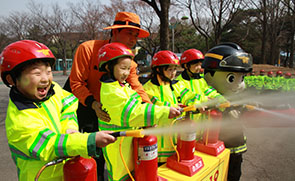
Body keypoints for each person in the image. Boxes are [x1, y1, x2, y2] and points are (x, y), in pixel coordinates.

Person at [0, 40, 116, 181]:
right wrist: (88, 140)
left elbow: (68, 103)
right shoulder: (19, 119)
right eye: (37, 73)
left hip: (67, 173)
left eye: (48, 72)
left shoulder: (53, 90)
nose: (46, 79)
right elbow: (49, 144)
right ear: (11, 79)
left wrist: (70, 128)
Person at [64, 12, 152, 180]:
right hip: (82, 105)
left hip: (107, 110)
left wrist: (149, 110)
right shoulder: (88, 49)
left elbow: (136, 86)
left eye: (136, 35)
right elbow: (76, 82)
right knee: (80, 153)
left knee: (107, 152)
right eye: (129, 33)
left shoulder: (129, 63)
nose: (133, 39)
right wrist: (93, 104)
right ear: (115, 32)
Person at [97, 42, 181, 181]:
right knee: (122, 177)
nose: (126, 73)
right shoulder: (111, 91)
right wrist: (164, 112)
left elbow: (138, 107)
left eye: (129, 69)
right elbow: (134, 113)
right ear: (108, 66)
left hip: (127, 143)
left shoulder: (121, 86)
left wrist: (146, 122)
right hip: (119, 149)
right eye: (123, 68)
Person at [143, 50, 204, 163]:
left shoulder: (175, 84)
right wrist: (174, 106)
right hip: (156, 143)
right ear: (158, 69)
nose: (173, 73)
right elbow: (156, 104)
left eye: (175, 69)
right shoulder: (147, 88)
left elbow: (188, 95)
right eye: (170, 69)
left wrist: (199, 102)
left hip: (173, 140)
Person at [202, 42, 253, 181]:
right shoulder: (204, 97)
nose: (238, 84)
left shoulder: (239, 99)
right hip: (213, 151)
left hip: (236, 150)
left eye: (241, 78)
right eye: (231, 78)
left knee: (234, 176)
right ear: (209, 75)